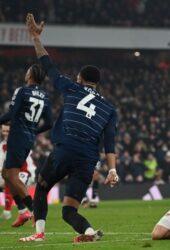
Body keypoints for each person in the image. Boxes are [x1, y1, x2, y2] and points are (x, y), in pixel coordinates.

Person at [20, 13, 119, 243]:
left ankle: (39, 233)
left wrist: (36, 38)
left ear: (80, 78)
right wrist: (112, 170)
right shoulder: (109, 108)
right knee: (69, 211)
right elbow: (110, 141)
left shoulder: (72, 88)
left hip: (67, 148)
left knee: (42, 188)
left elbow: (48, 65)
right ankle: (89, 232)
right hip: (88, 159)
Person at [0, 57, 52, 222]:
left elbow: (11, 115)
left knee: (12, 176)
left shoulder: (22, 91)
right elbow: (49, 123)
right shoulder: (45, 96)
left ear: (30, 75)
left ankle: (33, 211)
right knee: (6, 173)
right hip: (28, 138)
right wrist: (33, 130)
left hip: (17, 137)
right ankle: (22, 211)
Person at [0, 124, 37, 226]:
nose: (5, 134)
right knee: (8, 178)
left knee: (11, 179)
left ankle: (31, 211)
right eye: (4, 131)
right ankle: (22, 212)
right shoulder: (3, 145)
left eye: (8, 131)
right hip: (14, 172)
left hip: (25, 171)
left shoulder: (18, 141)